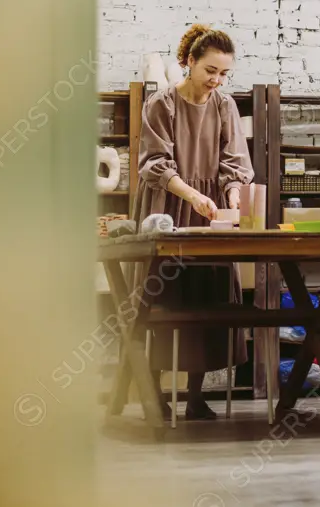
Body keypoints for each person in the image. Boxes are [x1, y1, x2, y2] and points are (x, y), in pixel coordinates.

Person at [132, 23, 254, 420]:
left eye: (223, 74)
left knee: (209, 295)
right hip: (168, 208)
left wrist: (233, 197)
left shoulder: (225, 106)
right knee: (163, 299)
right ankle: (155, 391)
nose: (216, 80)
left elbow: (234, 163)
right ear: (188, 63)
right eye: (210, 71)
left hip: (209, 214)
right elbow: (154, 164)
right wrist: (192, 194)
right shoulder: (161, 105)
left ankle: (196, 396)